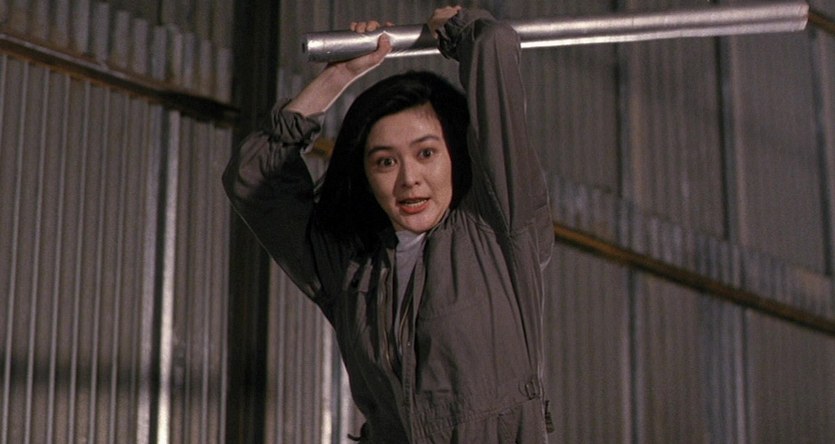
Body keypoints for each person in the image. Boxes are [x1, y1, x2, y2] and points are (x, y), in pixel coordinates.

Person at [223, 5, 554, 443]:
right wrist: (338, 76)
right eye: (385, 161)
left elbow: (493, 43)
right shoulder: (352, 268)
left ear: (456, 154)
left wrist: (458, 30)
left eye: (426, 153)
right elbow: (251, 177)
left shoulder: (498, 229)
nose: (408, 178)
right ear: (365, 173)